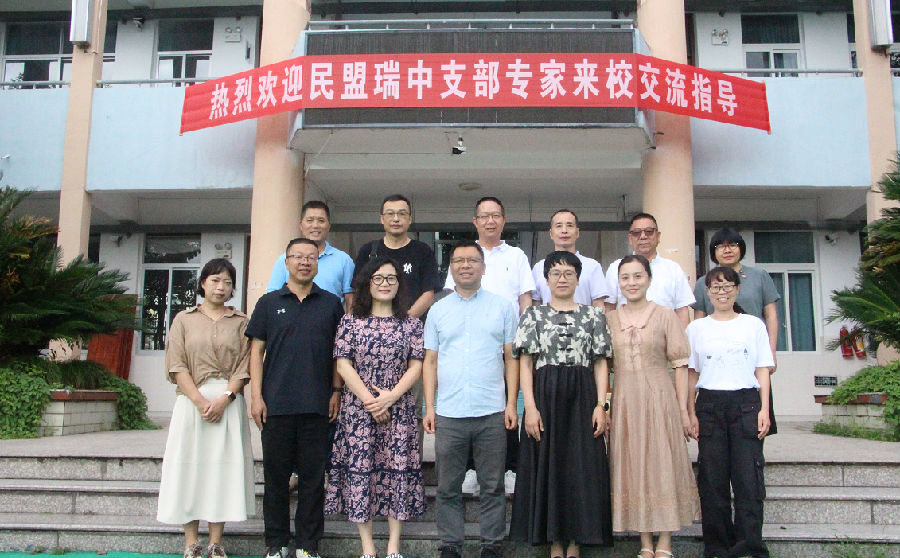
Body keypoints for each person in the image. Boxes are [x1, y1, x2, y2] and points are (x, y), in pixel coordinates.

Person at [510, 251, 614, 557]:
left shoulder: (594, 316)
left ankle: (577, 541)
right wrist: (529, 407)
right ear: (546, 280)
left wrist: (601, 405)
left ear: (578, 279)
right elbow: (525, 363)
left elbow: (601, 363)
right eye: (555, 273)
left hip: (583, 396)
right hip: (545, 395)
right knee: (550, 464)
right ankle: (554, 541)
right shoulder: (533, 315)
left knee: (582, 466)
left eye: (569, 273)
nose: (562, 279)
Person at [246, 238, 345, 558]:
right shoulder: (268, 302)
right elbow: (256, 351)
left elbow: (339, 355)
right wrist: (256, 396)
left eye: (311, 257)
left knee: (313, 480)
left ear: (317, 264)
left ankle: (307, 544)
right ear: (286, 262)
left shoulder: (331, 304)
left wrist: (336, 391)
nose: (305, 262)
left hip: (318, 405)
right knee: (276, 479)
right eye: (298, 257)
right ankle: (276, 544)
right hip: (275, 406)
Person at [424, 239, 519, 558]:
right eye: (458, 261)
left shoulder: (502, 307)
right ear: (450, 268)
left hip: (491, 411)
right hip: (450, 413)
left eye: (472, 260)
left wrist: (511, 403)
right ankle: (450, 545)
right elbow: (430, 361)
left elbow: (511, 358)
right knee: (447, 486)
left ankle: (492, 545)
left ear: (483, 267)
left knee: (492, 485)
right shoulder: (438, 310)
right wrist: (430, 407)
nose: (465, 265)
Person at [326, 256, 426, 558]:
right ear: (367, 284)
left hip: (399, 409)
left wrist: (390, 397)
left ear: (399, 284)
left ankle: (394, 545)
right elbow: (343, 365)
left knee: (397, 473)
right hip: (359, 412)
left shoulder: (411, 324)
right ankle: (367, 547)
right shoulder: (350, 321)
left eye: (391, 278)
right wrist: (372, 401)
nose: (385, 284)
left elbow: (416, 366)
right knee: (361, 473)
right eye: (378, 278)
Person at [157, 258, 254, 558]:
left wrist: (225, 398)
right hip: (191, 403)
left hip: (228, 403)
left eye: (227, 282)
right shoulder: (183, 320)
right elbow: (176, 364)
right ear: (202, 283)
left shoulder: (241, 322)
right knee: (189, 469)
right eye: (215, 280)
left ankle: (215, 542)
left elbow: (245, 365)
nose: (220, 287)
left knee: (220, 471)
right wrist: (200, 401)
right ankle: (191, 543)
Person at [606, 255, 700, 558]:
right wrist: (604, 407)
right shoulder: (609, 320)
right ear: (618, 283)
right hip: (624, 399)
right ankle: (645, 540)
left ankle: (665, 540)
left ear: (648, 279)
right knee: (632, 463)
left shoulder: (665, 315)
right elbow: (602, 368)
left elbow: (680, 364)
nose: (631, 283)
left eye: (637, 276)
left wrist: (683, 410)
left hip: (659, 397)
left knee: (661, 463)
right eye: (625, 278)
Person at [443, 196, 534, 493]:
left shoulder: (516, 256)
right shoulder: (465, 255)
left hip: (506, 346)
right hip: (470, 347)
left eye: (496, 215)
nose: (490, 221)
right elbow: (452, 297)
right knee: (471, 411)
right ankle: (471, 469)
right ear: (475, 222)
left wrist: (522, 339)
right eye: (484, 216)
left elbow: (525, 299)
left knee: (507, 409)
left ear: (504, 220)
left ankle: (510, 468)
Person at [686, 266, 773, 558]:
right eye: (715, 287)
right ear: (707, 292)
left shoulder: (753, 325)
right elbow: (692, 373)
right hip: (709, 405)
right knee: (713, 481)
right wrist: (690, 412)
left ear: (737, 289)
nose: (721, 293)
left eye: (727, 287)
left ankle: (749, 546)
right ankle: (717, 547)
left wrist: (765, 409)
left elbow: (762, 369)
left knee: (748, 480)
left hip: (746, 404)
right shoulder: (696, 328)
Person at [692, 228, 780, 435]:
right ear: (713, 252)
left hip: (750, 354)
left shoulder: (759, 276)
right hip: (717, 357)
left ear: (741, 248)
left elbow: (771, 316)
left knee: (755, 416)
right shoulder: (704, 282)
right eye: (720, 246)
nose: (727, 250)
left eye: (732, 245)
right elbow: (699, 319)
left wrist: (771, 351)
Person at [355, 194, 441, 319]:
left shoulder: (423, 251)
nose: (396, 219)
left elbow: (428, 294)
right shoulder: (368, 251)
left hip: (412, 326)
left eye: (402, 214)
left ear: (410, 219)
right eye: (390, 214)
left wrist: (404, 323)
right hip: (372, 327)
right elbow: (359, 291)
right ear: (382, 219)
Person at [605, 213, 695, 327]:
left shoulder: (673, 269)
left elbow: (682, 311)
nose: (643, 236)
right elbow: (609, 308)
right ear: (630, 238)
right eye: (637, 233)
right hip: (626, 334)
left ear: (658, 236)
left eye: (649, 231)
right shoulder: (616, 268)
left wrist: (681, 337)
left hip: (666, 335)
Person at [267, 200, 355, 311]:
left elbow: (351, 299)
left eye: (321, 221)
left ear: (328, 226)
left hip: (331, 321)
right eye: (310, 220)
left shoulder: (343, 260)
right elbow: (273, 297)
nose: (315, 225)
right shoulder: (286, 259)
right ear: (301, 225)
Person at [531, 209, 611, 307]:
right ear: (551, 233)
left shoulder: (592, 266)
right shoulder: (539, 267)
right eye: (559, 226)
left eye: (569, 225)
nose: (564, 231)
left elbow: (598, 305)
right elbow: (536, 304)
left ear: (577, 232)